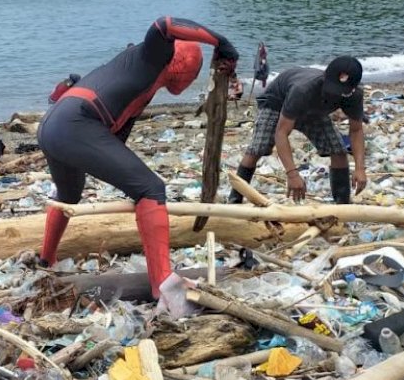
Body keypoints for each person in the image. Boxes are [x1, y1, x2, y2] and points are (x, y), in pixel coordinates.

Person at [38, 17, 238, 299]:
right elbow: (164, 25)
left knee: (69, 194)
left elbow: (114, 142)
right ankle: (163, 285)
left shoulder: (138, 79)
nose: (191, 80)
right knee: (151, 189)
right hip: (75, 122)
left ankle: (45, 260)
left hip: (52, 124)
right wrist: (222, 43)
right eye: (194, 72)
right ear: (181, 64)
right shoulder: (153, 57)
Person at [227, 56, 367, 205]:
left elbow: (356, 131)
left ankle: (342, 203)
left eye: (342, 92)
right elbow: (281, 133)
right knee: (258, 148)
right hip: (277, 103)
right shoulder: (303, 89)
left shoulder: (354, 96)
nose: (336, 94)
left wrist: (360, 168)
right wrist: (292, 174)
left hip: (314, 110)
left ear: (353, 88)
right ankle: (235, 198)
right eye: (333, 89)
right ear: (325, 76)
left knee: (338, 150)